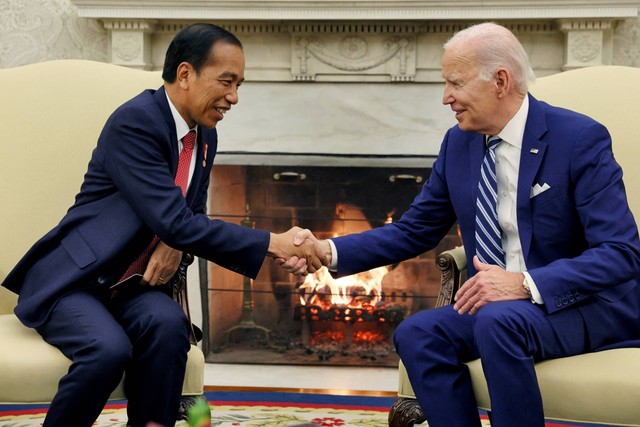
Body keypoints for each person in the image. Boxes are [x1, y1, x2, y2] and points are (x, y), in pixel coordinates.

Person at [284, 22, 640, 427]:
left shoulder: (579, 139)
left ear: (500, 81)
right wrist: (327, 251)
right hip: (501, 313)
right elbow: (413, 230)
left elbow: (621, 254)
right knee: (417, 334)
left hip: (581, 304)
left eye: (455, 83)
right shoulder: (459, 143)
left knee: (497, 320)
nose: (445, 97)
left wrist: (523, 284)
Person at [1, 23, 320, 427]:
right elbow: (175, 219)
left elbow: (190, 218)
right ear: (185, 74)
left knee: (170, 329)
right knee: (108, 351)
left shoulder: (204, 134)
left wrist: (176, 242)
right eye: (226, 81)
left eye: (239, 84)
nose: (234, 97)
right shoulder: (134, 123)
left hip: (134, 285)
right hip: (76, 282)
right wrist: (274, 243)